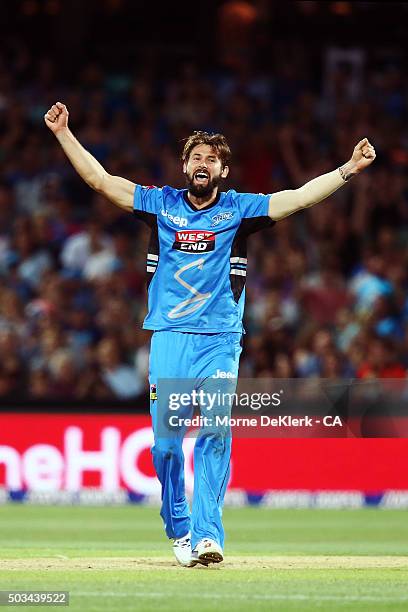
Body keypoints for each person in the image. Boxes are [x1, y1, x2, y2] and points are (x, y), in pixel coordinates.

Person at [44, 101, 376, 566]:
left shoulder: (241, 210)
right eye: (195, 157)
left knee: (216, 429)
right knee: (164, 447)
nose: (202, 164)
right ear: (185, 167)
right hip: (169, 338)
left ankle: (207, 535)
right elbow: (101, 181)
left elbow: (299, 196)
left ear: (223, 169)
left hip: (220, 340)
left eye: (211, 159)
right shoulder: (160, 205)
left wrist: (349, 168)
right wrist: (63, 133)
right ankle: (179, 527)